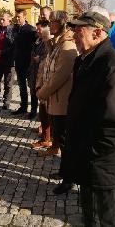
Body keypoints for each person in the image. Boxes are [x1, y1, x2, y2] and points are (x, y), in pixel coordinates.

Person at [65, 11, 115, 225]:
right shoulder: (85, 61)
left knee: (109, 220)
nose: (74, 34)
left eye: (79, 30)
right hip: (88, 159)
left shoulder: (113, 66)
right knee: (91, 217)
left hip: (102, 164)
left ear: (97, 33)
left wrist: (90, 154)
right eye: (74, 29)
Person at [35, 12, 77, 188]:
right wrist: (46, 39)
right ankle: (64, 172)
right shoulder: (60, 41)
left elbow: (60, 74)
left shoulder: (67, 45)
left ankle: (69, 178)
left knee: (66, 141)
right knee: (60, 137)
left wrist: (42, 92)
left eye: (52, 22)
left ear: (61, 23)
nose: (49, 24)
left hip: (62, 101)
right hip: (56, 99)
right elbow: (51, 58)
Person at [12, 9, 38, 118]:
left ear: (24, 17)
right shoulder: (15, 29)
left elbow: (36, 46)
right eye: (16, 17)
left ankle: (33, 110)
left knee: (32, 88)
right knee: (22, 87)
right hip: (18, 63)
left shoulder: (31, 30)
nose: (17, 19)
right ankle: (23, 107)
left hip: (29, 63)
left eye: (19, 17)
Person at [29, 18, 52, 123]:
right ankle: (33, 111)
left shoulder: (47, 41)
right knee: (33, 92)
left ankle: (43, 118)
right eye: (37, 29)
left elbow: (49, 55)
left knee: (41, 95)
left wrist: (40, 58)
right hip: (34, 70)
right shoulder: (37, 40)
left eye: (39, 30)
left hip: (42, 72)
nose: (37, 31)